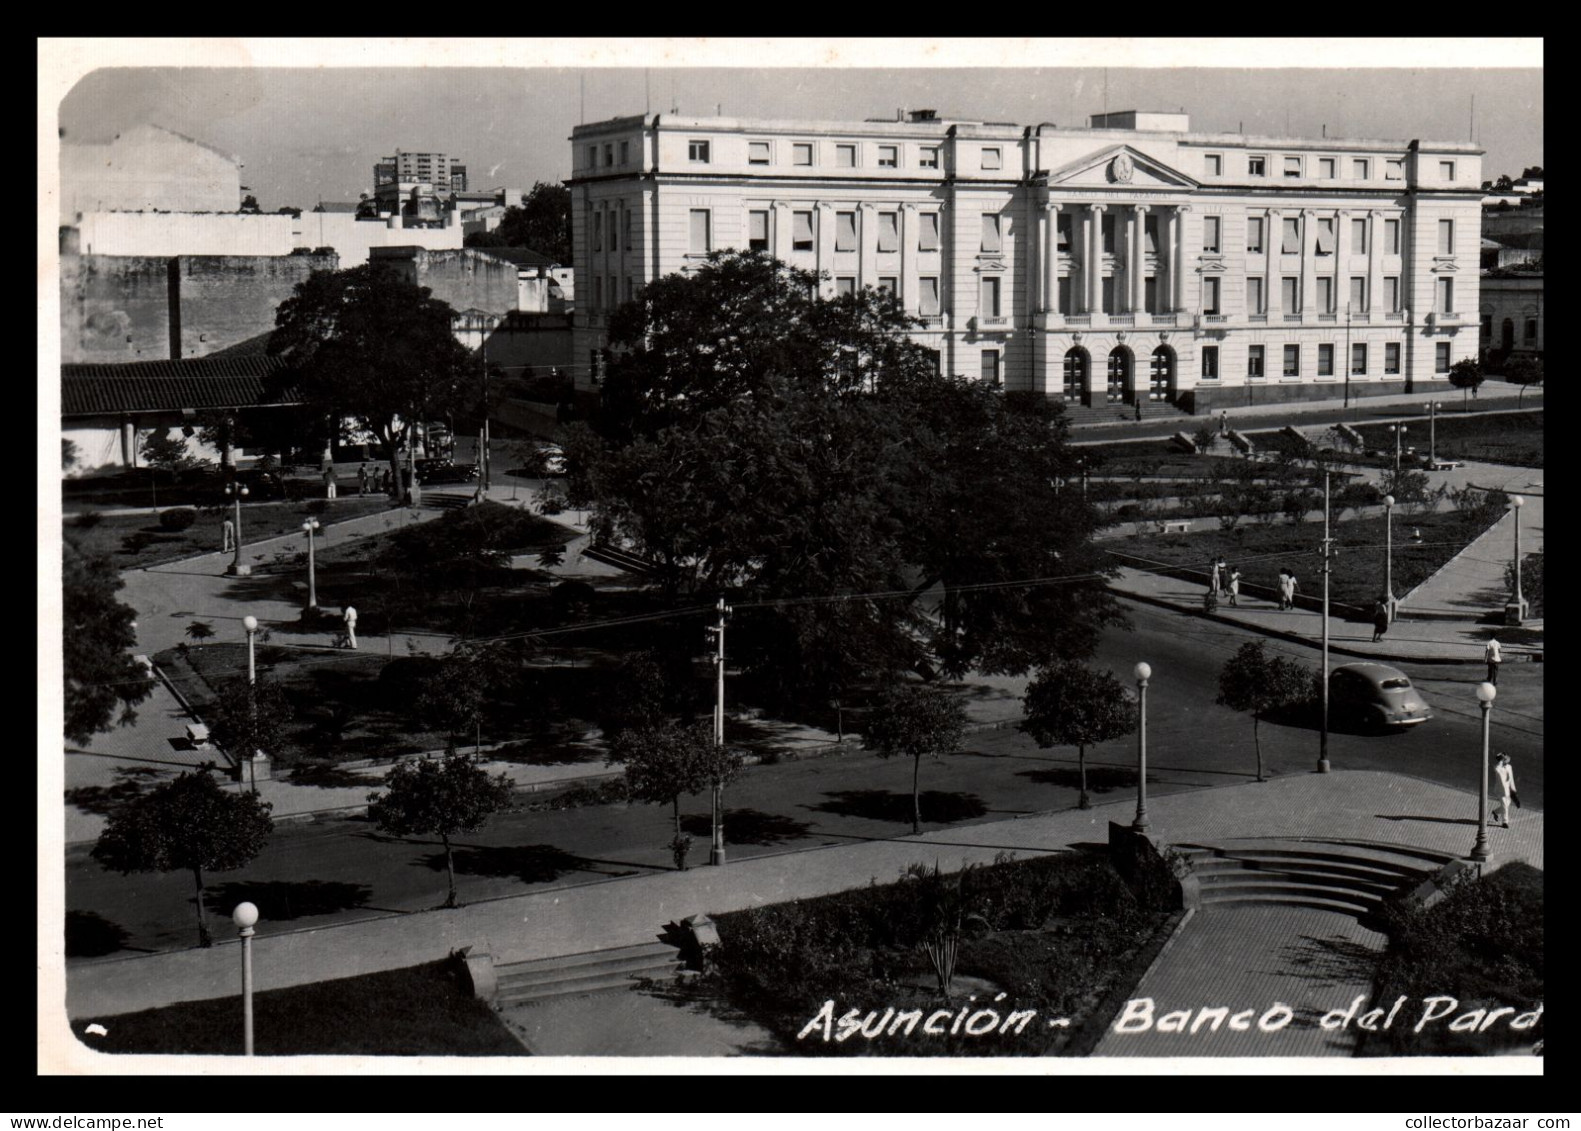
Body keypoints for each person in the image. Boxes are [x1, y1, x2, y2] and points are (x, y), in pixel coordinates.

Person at [1492, 752, 1518, 828]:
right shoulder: (1497, 768)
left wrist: (1513, 790)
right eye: (1505, 759)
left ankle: (1495, 812)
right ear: (1502, 760)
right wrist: (1500, 761)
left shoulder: (1509, 767)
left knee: (1506, 805)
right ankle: (1505, 822)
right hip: (1500, 791)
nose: (1507, 760)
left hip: (1508, 790)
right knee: (1504, 806)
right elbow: (1498, 769)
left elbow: (1511, 779)